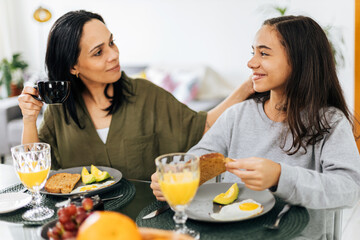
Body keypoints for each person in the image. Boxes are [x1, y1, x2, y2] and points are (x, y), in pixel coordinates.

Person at [151, 15, 360, 209]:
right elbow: (200, 156)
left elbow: (349, 189)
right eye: (253, 52)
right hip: (234, 228)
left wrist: (280, 176)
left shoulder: (330, 122)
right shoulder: (238, 114)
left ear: (299, 61)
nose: (251, 63)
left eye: (264, 53)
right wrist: (176, 175)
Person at [18, 10, 254, 180]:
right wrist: (29, 120)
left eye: (112, 43)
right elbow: (34, 170)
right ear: (73, 67)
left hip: (144, 220)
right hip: (83, 224)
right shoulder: (60, 109)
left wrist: (247, 87)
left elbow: (202, 126)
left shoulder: (145, 94)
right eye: (99, 52)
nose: (114, 55)